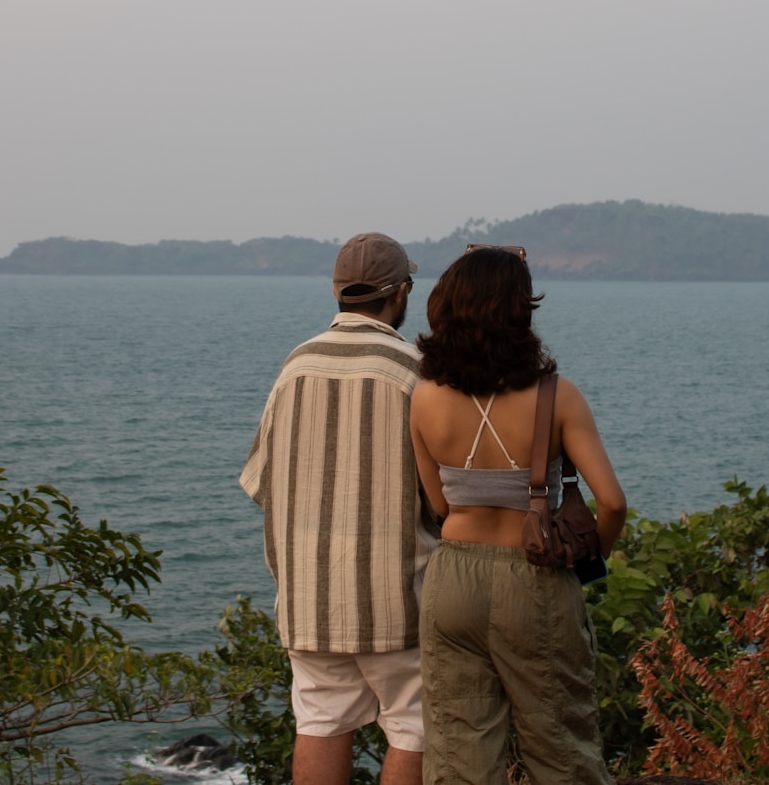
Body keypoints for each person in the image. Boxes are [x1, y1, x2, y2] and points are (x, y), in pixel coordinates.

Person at [408, 245, 627, 785]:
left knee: (457, 751)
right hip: (533, 576)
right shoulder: (559, 397)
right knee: (561, 747)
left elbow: (439, 505)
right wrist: (585, 559)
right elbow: (614, 502)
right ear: (519, 313)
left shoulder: (423, 396)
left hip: (451, 578)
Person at [240, 232, 438, 785]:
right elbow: (440, 497)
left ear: (337, 292)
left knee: (321, 720)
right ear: (401, 292)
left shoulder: (295, 366)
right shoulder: (414, 369)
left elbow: (262, 481)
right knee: (415, 726)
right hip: (397, 599)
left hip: (307, 597)